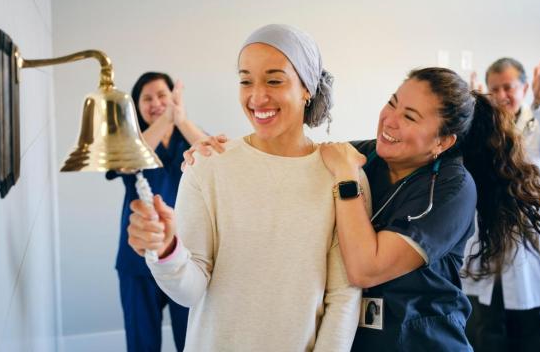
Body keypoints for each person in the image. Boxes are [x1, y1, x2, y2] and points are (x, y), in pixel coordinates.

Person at [187, 67, 540, 351]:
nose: (390, 120)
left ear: (442, 141)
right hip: (361, 338)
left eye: (410, 117)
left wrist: (346, 182)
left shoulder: (452, 188)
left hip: (419, 340)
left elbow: (364, 267)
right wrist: (216, 152)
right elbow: (293, 157)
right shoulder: (369, 154)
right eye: (392, 102)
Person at [126, 24, 365, 351]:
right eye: (245, 80)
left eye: (274, 80)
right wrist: (167, 249)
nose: (257, 96)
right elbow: (189, 291)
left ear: (307, 88)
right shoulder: (208, 164)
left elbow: (343, 295)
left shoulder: (339, 173)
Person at [463, 58, 540, 352]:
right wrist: (476, 110)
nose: (501, 96)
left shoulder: (539, 128)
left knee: (533, 334)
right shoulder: (483, 131)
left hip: (530, 248)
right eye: (494, 89)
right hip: (490, 246)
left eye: (508, 87)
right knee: (487, 333)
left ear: (524, 87)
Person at [105, 71, 208, 352]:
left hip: (184, 258)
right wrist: (166, 118)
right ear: (136, 107)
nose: (155, 103)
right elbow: (127, 159)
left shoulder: (189, 138)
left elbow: (218, 161)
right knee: (142, 343)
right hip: (137, 260)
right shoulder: (131, 142)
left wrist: (180, 118)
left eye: (162, 95)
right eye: (146, 98)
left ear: (174, 98)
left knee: (191, 341)